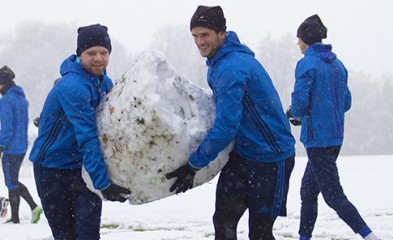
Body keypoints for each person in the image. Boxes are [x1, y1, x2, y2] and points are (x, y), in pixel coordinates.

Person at [166, 6, 296, 240]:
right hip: (244, 155)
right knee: (223, 221)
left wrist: (194, 163)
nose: (199, 42)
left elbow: (227, 126)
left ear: (221, 34)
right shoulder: (219, 63)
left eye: (205, 35)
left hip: (272, 158)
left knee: (260, 232)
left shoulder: (231, 68)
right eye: (195, 36)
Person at [29, 24, 131, 240]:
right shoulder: (72, 86)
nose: (98, 58)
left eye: (103, 52)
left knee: (88, 234)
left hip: (83, 169)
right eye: (91, 53)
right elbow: (87, 135)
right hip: (52, 170)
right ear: (79, 55)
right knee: (66, 236)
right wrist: (102, 182)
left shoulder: (104, 83)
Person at [286, 14, 379, 240]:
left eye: (299, 39)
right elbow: (345, 102)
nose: (298, 43)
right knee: (308, 191)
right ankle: (304, 237)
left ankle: (370, 236)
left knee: (333, 196)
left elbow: (300, 103)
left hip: (318, 141)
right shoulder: (338, 65)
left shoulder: (307, 63)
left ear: (306, 39)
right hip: (335, 139)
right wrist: (325, 112)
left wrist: (293, 114)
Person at [0, 65, 43, 224]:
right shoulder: (22, 99)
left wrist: (0, 145)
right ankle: (29, 210)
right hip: (22, 145)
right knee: (13, 180)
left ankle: (18, 216)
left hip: (10, 147)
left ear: (2, 84)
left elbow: (7, 128)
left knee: (11, 182)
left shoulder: (6, 101)